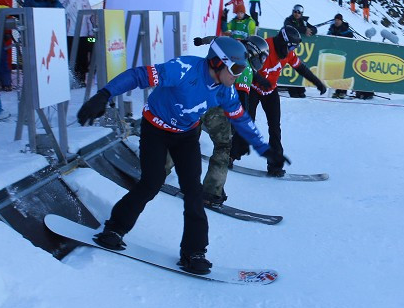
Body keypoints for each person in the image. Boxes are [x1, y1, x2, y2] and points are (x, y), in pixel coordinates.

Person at [76, 37, 280, 273]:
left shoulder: (225, 90)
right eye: (235, 69)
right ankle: (114, 228)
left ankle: (194, 252)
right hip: (155, 130)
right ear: (216, 63)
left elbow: (240, 117)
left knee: (193, 191)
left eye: (242, 69)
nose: (238, 74)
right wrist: (104, 94)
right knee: (151, 182)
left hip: (186, 137)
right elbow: (138, 75)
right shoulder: (182, 69)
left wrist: (262, 148)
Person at [169, 35, 269, 208]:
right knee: (223, 146)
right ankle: (211, 191)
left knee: (184, 136)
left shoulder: (233, 47)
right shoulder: (244, 69)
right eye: (262, 58)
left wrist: (201, 41)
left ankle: (159, 169)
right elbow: (243, 98)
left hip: (197, 96)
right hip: (217, 108)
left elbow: (216, 39)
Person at [231, 26, 327, 177]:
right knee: (248, 122)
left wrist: (317, 82)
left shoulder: (287, 53)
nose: (292, 50)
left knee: (275, 127)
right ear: (283, 41)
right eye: (292, 46)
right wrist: (259, 79)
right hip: (254, 89)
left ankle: (275, 164)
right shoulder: (265, 46)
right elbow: (246, 64)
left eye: (295, 47)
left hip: (270, 91)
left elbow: (301, 68)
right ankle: (231, 154)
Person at [59, 0, 95, 86]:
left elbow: (89, 16)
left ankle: (81, 79)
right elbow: (64, 11)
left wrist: (91, 33)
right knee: (71, 57)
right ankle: (72, 79)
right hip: (70, 33)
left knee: (83, 57)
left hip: (85, 35)